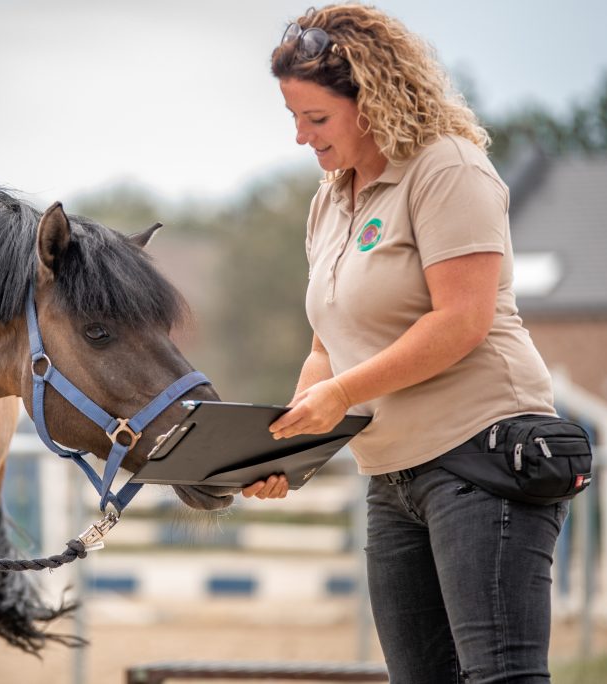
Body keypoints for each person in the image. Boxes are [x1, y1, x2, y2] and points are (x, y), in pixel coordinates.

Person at [241, 5, 567, 682]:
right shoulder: (330, 203)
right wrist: (285, 450)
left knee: (500, 676)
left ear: (373, 98)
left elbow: (461, 321)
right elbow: (328, 347)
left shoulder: (449, 168)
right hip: (391, 477)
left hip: (483, 458)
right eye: (292, 119)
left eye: (317, 118)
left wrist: (342, 394)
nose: (301, 137)